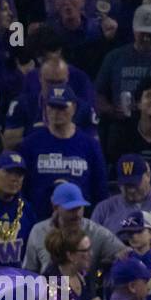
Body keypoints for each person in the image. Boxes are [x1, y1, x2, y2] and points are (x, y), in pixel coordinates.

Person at [17, 86, 109, 219]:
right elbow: (22, 188)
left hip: (79, 221)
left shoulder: (90, 145)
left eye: (61, 107)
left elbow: (100, 190)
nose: (56, 112)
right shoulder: (30, 144)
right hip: (38, 221)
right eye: (52, 107)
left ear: (74, 108)